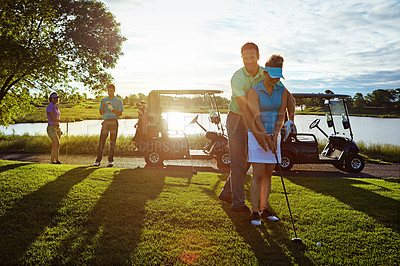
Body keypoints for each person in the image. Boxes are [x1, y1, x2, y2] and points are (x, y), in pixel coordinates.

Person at [218, 42, 295, 213]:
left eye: (252, 57)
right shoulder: (237, 78)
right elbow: (245, 109)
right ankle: (238, 203)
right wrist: (259, 134)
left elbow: (286, 96)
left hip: (256, 119)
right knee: (238, 162)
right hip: (237, 118)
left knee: (248, 161)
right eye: (245, 58)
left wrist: (290, 120)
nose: (249, 61)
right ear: (242, 58)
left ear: (258, 57)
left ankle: (227, 192)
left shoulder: (266, 73)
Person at [247, 54, 289, 225]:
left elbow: (281, 114)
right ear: (265, 73)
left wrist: (276, 135)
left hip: (274, 134)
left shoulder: (282, 90)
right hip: (257, 133)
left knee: (268, 172)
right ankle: (254, 212)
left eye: (278, 77)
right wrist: (265, 137)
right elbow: (255, 117)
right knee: (257, 173)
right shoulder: (254, 91)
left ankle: (264, 209)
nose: (275, 80)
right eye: (272, 77)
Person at [93, 84, 124, 167]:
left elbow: (120, 114)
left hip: (114, 122)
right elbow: (101, 113)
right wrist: (103, 107)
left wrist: (112, 109)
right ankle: (98, 160)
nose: (109, 92)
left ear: (114, 91)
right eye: (108, 91)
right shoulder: (103, 100)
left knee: (112, 142)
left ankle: (111, 160)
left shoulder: (118, 101)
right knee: (101, 141)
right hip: (106, 122)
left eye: (111, 91)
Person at [46, 91, 68, 164]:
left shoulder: (56, 107)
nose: (56, 99)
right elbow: (53, 118)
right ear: (51, 99)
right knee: (57, 143)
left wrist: (59, 129)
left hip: (57, 128)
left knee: (54, 145)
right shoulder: (49, 107)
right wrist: (63, 120)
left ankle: (52, 161)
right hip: (51, 128)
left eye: (57, 98)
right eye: (54, 98)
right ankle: (57, 161)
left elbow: (56, 120)